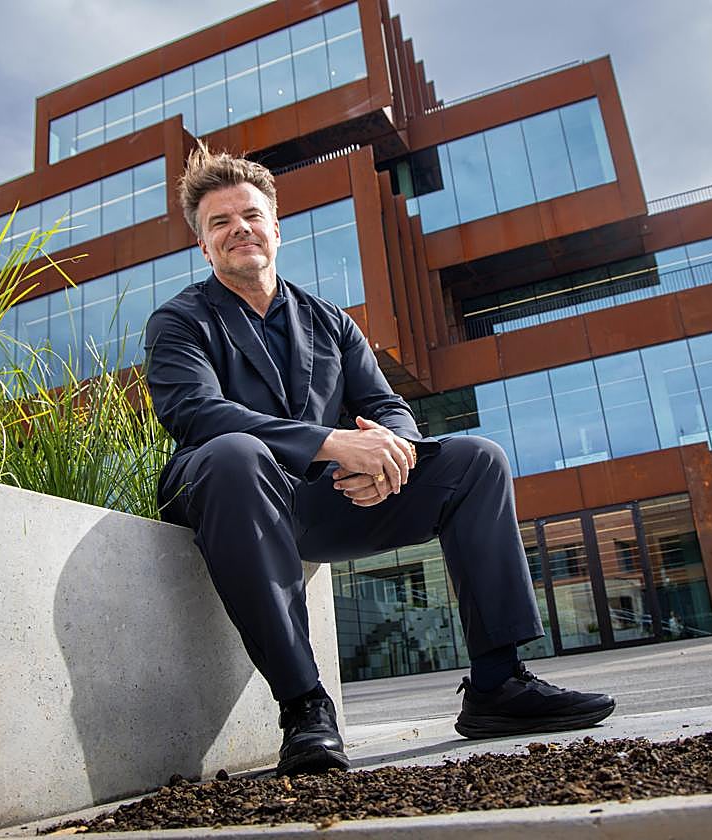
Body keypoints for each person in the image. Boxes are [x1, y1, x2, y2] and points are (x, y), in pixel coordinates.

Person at [144, 144, 616, 776]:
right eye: (220, 223)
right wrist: (333, 443)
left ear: (276, 229)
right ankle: (305, 707)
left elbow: (386, 405)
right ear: (204, 246)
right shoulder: (179, 321)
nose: (239, 230)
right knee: (235, 453)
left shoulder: (330, 322)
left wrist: (388, 456)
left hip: (327, 501)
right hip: (232, 497)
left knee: (477, 459)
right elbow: (196, 413)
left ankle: (498, 684)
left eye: (251, 216)